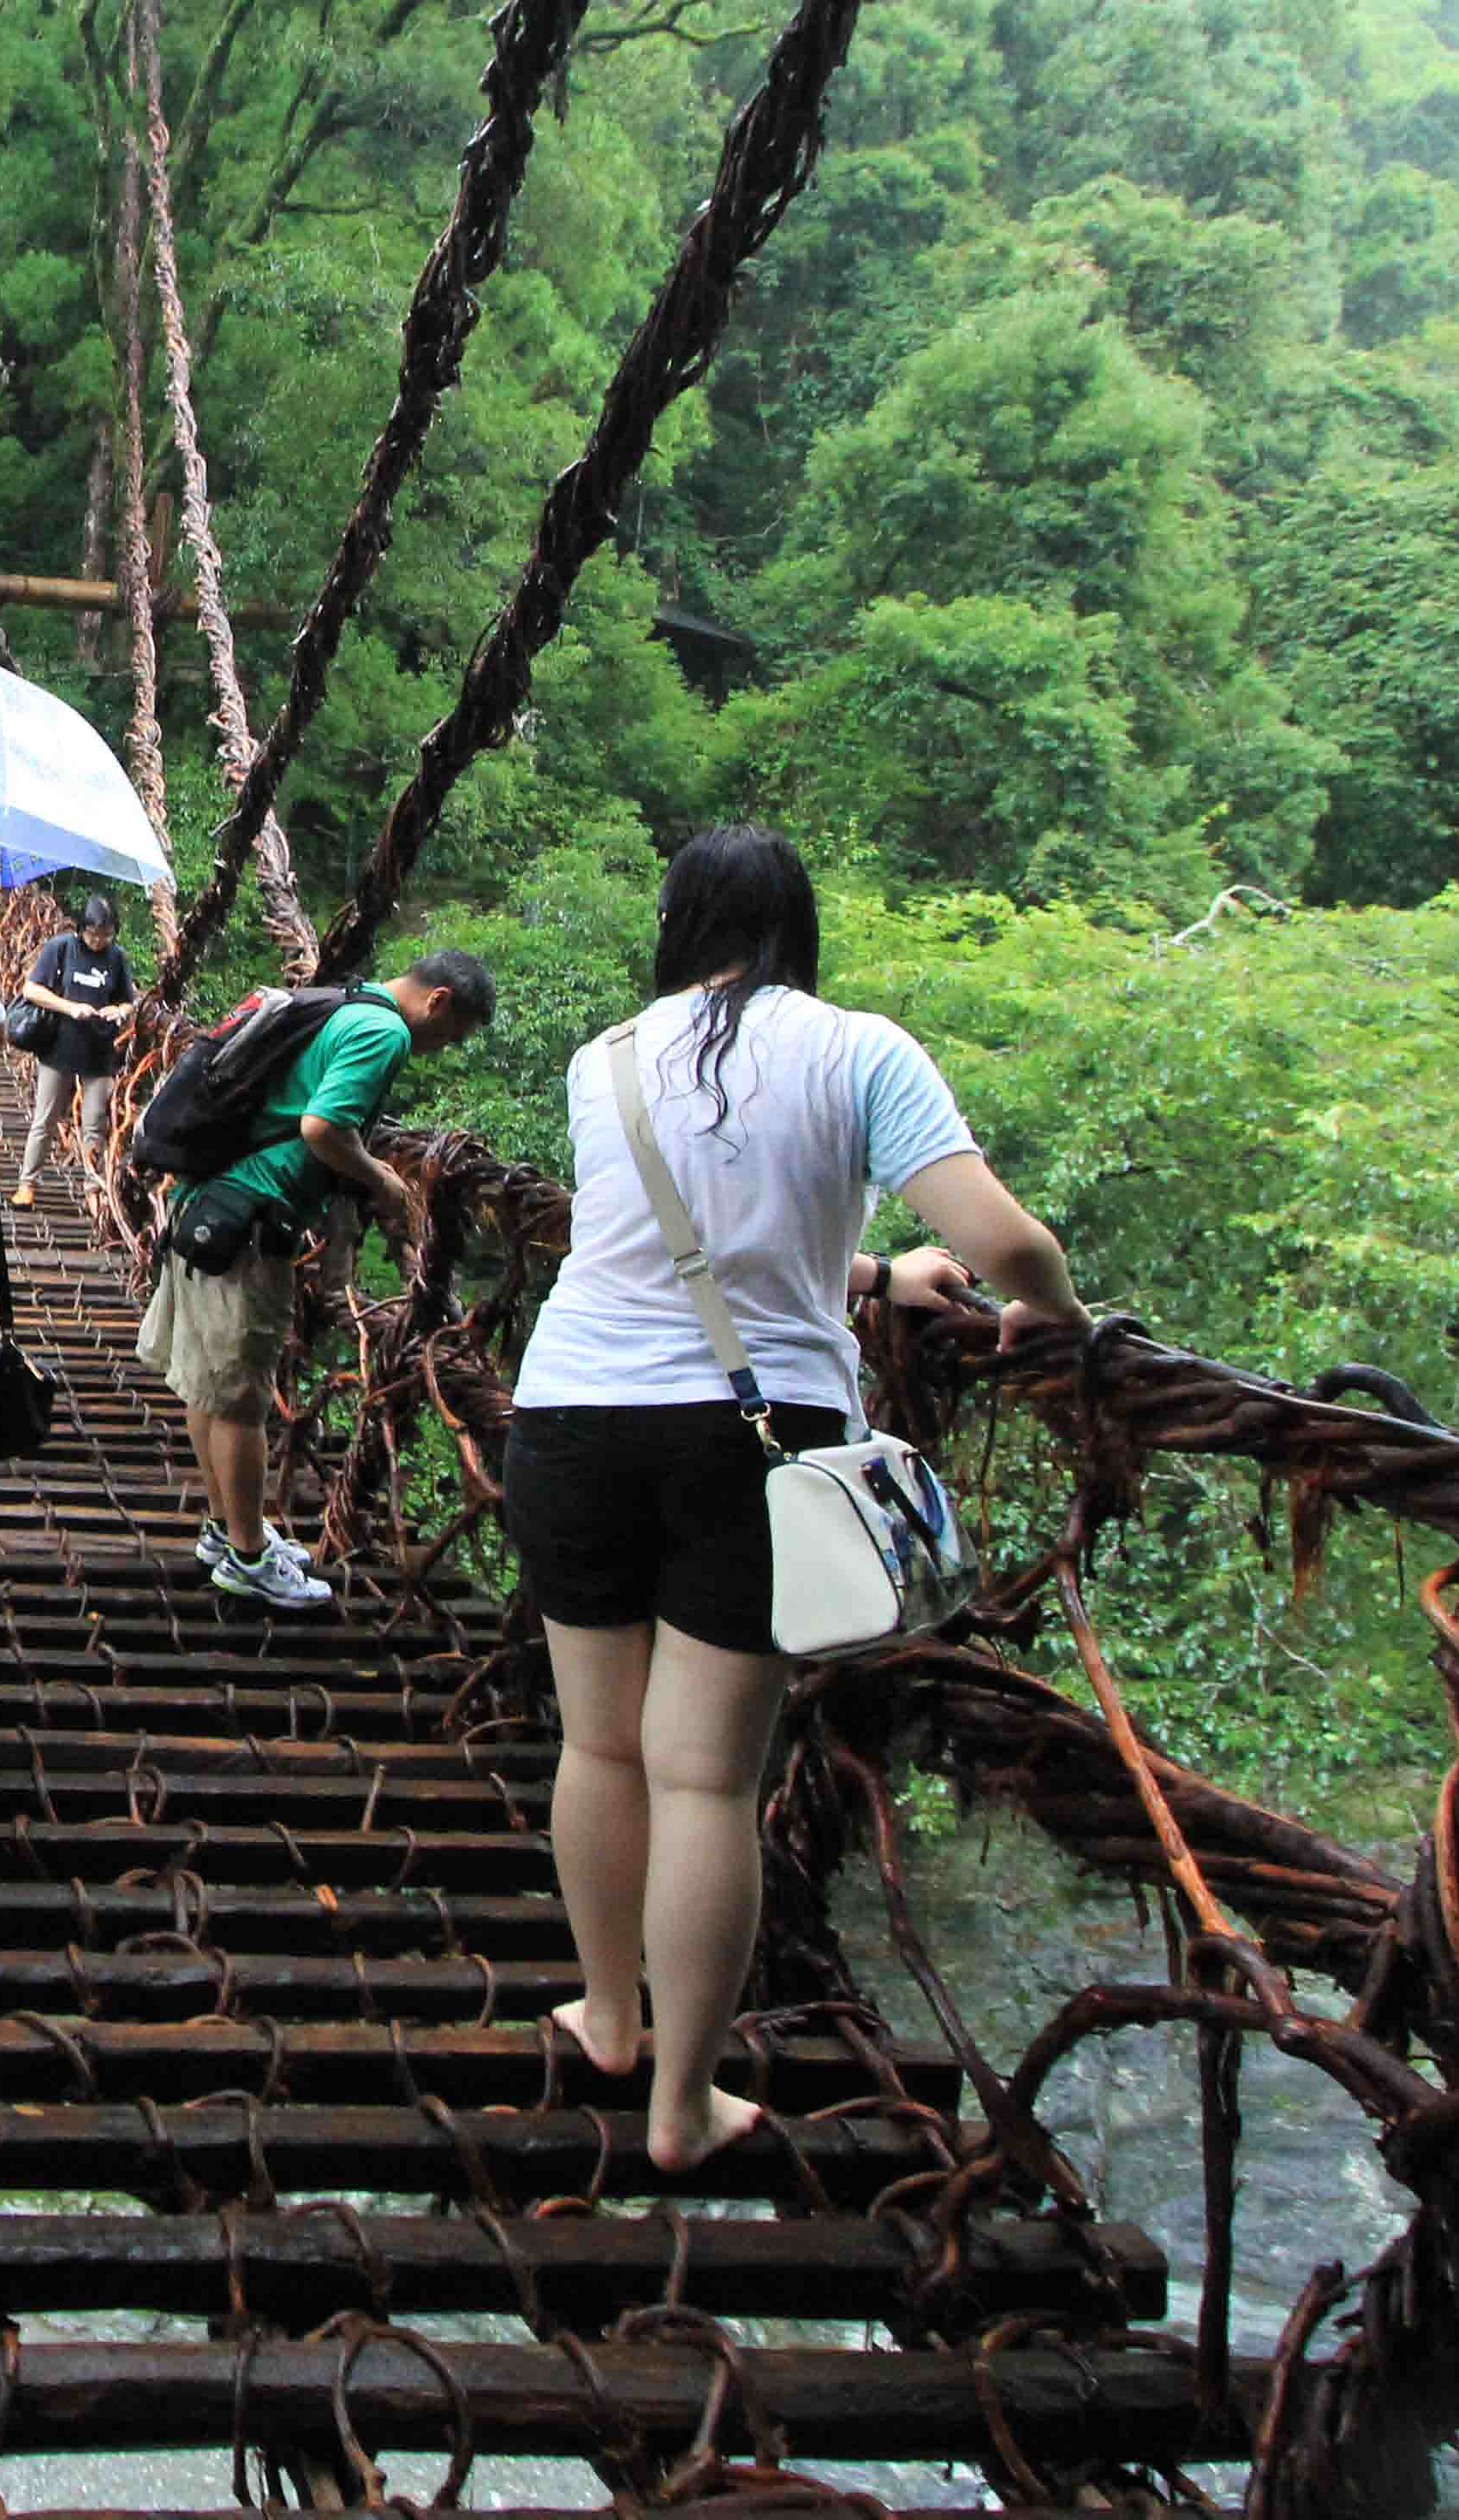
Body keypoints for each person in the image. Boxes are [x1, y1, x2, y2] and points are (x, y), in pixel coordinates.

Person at [509, 825, 1083, 2172]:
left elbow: (683, 1244)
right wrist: (1056, 1314)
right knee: (705, 1781)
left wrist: (875, 1277)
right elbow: (1007, 1240)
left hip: (571, 1415)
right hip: (752, 1446)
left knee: (599, 1750)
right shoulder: (860, 1047)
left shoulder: (606, 1061)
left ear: (677, 925)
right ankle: (682, 2108)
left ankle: (607, 2017)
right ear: (795, 929)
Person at [137, 948, 495, 1608]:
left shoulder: (348, 1002)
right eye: (453, 1034)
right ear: (438, 1001)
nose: (443, 1049)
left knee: (210, 1382)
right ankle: (246, 1556)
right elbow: (323, 1128)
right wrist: (384, 1181)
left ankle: (225, 1529)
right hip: (248, 1221)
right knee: (243, 1395)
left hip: (210, 1206)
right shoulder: (383, 1031)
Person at [9, 894, 138, 1206]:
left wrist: (118, 1012)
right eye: (93, 934)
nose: (99, 941)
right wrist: (70, 1008)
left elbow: (128, 1001)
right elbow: (32, 989)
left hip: (100, 1051)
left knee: (95, 1123)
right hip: (59, 1047)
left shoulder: (117, 957)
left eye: (106, 935)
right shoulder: (62, 948)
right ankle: (27, 1183)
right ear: (81, 929)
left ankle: (93, 1188)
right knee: (45, 1118)